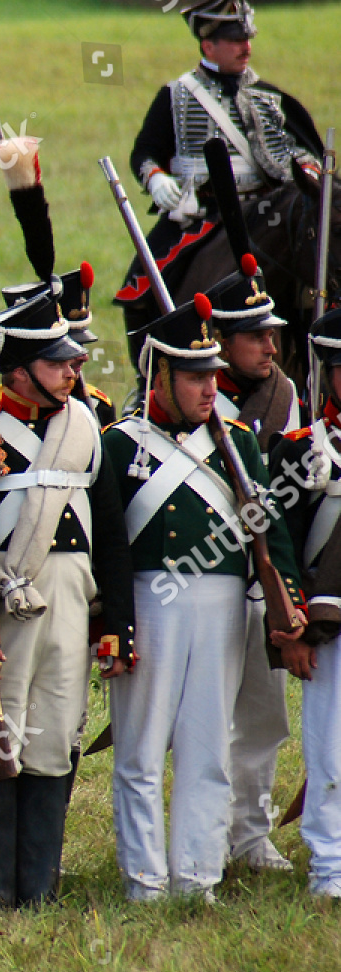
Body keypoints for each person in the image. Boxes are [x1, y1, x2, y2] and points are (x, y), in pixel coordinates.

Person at [102, 293, 306, 902]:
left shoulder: (239, 442)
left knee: (207, 744)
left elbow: (273, 531)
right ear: (159, 376)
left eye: (211, 377)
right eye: (193, 378)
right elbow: (107, 545)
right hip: (147, 600)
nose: (206, 389)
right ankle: (145, 879)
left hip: (221, 603)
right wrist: (110, 623)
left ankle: (197, 876)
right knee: (139, 749)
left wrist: (288, 603)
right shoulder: (121, 444)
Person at [0, 289, 136, 907]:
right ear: (20, 369)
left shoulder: (86, 425)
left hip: (72, 601)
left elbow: (110, 533)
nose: (73, 371)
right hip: (3, 608)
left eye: (73, 363)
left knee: (54, 737)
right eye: (59, 363)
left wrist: (119, 625)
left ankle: (38, 885)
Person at [118, 0, 322, 335]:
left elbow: (307, 153)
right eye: (235, 40)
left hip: (268, 212)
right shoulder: (176, 95)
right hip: (203, 214)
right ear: (208, 45)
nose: (246, 47)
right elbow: (145, 152)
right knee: (139, 290)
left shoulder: (271, 98)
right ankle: (150, 377)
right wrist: (155, 178)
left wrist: (308, 173)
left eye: (247, 38)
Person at [203, 257, 302, 873]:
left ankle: (250, 831)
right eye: (256, 336)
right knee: (205, 715)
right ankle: (203, 830)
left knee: (264, 715)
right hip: (203, 577)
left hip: (265, 575)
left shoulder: (283, 395)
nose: (271, 345)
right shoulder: (174, 393)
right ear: (220, 343)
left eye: (272, 334)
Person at [271, 307, 341, 898]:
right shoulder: (300, 450)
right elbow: (283, 545)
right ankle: (330, 867)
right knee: (330, 751)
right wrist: (292, 625)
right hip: (327, 623)